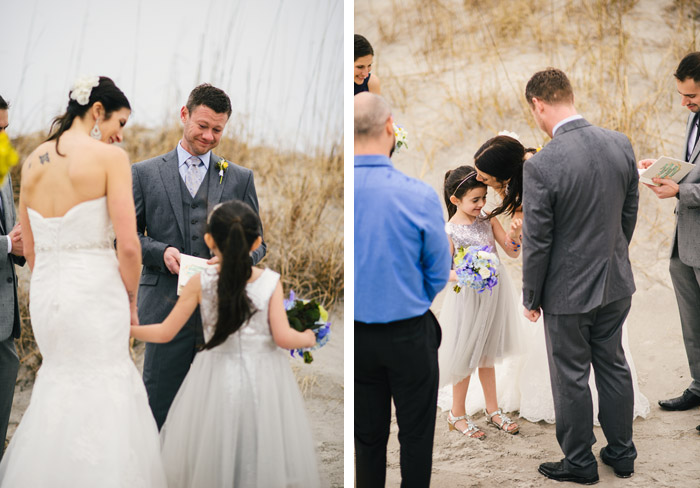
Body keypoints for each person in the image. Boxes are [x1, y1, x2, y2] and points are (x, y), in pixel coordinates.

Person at [0, 76, 166, 486]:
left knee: (60, 384)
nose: (120, 134)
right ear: (96, 112)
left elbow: (31, 246)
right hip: (94, 293)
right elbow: (128, 247)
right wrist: (130, 300)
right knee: (105, 386)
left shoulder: (33, 159)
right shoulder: (110, 159)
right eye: (120, 122)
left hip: (48, 298)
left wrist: (52, 286)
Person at [449, 134, 649, 426]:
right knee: (597, 356)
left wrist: (532, 294)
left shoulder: (533, 183)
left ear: (502, 174)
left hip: (562, 280)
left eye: (483, 176)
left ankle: (578, 430)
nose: (480, 180)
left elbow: (532, 246)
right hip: (598, 272)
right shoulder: (523, 182)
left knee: (573, 358)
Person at [131, 200, 320, 487]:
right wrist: (309, 337)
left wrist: (128, 328)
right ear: (256, 241)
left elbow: (164, 333)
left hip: (215, 379)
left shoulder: (200, 282)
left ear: (209, 240)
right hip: (263, 380)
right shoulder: (269, 281)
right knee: (260, 449)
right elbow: (283, 337)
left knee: (214, 448)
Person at [522, 68, 639, 484]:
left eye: (533, 111)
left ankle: (579, 462)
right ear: (569, 96)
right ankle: (622, 454)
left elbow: (538, 242)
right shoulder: (619, 143)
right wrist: (612, 256)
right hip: (615, 280)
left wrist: (531, 296)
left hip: (567, 293)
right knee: (613, 364)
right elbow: (628, 215)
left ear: (539, 104)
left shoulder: (542, 165)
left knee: (570, 375)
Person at [132, 83, 266, 429]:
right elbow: (125, 239)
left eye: (217, 130)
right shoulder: (144, 173)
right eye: (202, 126)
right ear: (184, 115)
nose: (208, 136)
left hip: (221, 311)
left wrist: (235, 261)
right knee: (158, 404)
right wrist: (161, 253)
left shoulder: (239, 178)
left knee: (217, 412)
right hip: (163, 307)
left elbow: (259, 243)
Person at [354, 92, 450, 487]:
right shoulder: (419, 194)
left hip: (358, 339)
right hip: (410, 334)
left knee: (368, 439)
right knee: (415, 437)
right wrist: (413, 299)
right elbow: (438, 271)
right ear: (390, 126)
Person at [438, 165, 522, 440]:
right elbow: (439, 272)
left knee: (487, 354)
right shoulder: (450, 231)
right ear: (455, 201)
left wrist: (516, 234)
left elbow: (511, 251)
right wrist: (466, 273)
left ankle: (493, 409)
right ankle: (456, 414)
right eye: (475, 199)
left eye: (483, 197)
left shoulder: (487, 217)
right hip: (467, 300)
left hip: (493, 295)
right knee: (466, 355)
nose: (481, 204)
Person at [639, 53, 700, 429]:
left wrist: (682, 192)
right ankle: (699, 384)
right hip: (685, 239)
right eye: (681, 95)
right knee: (691, 321)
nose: (684, 104)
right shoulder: (694, 118)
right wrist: (661, 169)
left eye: (690, 96)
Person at [0, 95, 25, 460]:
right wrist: (7, 243)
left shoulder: (3, 169)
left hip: (3, 318)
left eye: (5, 129)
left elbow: (13, 227)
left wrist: (19, 245)